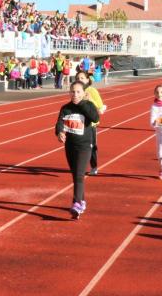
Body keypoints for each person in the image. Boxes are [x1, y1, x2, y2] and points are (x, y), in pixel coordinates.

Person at [55, 81, 100, 219]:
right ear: (69, 92)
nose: (75, 94)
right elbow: (59, 123)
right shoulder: (65, 108)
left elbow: (95, 117)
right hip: (70, 146)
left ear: (84, 93)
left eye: (78, 92)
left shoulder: (88, 106)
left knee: (80, 175)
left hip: (85, 146)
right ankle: (82, 201)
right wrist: (60, 133)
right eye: (72, 92)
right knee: (76, 175)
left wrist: (82, 103)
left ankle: (76, 204)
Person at [76, 71, 106, 176]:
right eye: (78, 77)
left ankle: (93, 166)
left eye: (82, 78)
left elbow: (100, 108)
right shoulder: (76, 91)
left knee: (91, 146)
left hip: (90, 125)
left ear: (88, 80)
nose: (80, 79)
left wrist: (89, 101)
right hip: (79, 124)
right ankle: (80, 166)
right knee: (78, 146)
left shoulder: (92, 91)